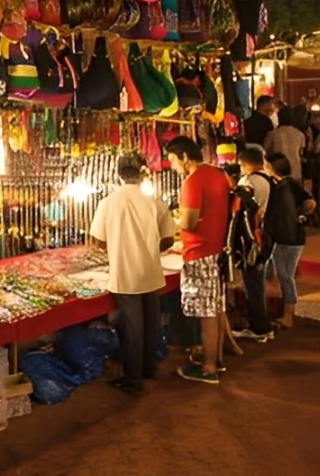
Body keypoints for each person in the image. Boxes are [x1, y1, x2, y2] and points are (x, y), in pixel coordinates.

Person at [89, 155, 177, 396]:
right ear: (141, 173)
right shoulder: (154, 202)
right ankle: (148, 368)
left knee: (132, 328)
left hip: (125, 273)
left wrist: (119, 245)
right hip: (151, 271)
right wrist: (148, 248)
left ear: (118, 175)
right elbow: (168, 238)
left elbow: (97, 240)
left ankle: (133, 380)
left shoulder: (108, 202)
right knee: (151, 322)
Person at [166, 136, 231, 385]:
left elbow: (190, 222)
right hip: (215, 249)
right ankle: (216, 358)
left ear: (184, 156)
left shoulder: (192, 182)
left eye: (173, 160)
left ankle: (208, 367)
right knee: (214, 308)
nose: (172, 166)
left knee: (206, 314)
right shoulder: (217, 174)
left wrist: (170, 220)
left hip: (200, 254)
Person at [263, 153, 315, 329]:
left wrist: (296, 216)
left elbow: (309, 203)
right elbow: (309, 202)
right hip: (293, 236)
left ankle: (288, 314)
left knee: (285, 276)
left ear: (272, 168)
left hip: (285, 237)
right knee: (284, 275)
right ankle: (286, 311)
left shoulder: (280, 185)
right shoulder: (288, 184)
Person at [232, 147, 273, 343]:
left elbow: (238, 209)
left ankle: (259, 328)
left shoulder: (248, 181)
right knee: (257, 283)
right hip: (263, 234)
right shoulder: (267, 180)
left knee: (253, 284)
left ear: (246, 163)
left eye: (241, 165)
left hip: (250, 237)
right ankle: (262, 325)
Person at [264, 106, 306, 183]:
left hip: (278, 169)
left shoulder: (273, 133)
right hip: (295, 169)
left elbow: (265, 150)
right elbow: (301, 152)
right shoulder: (299, 134)